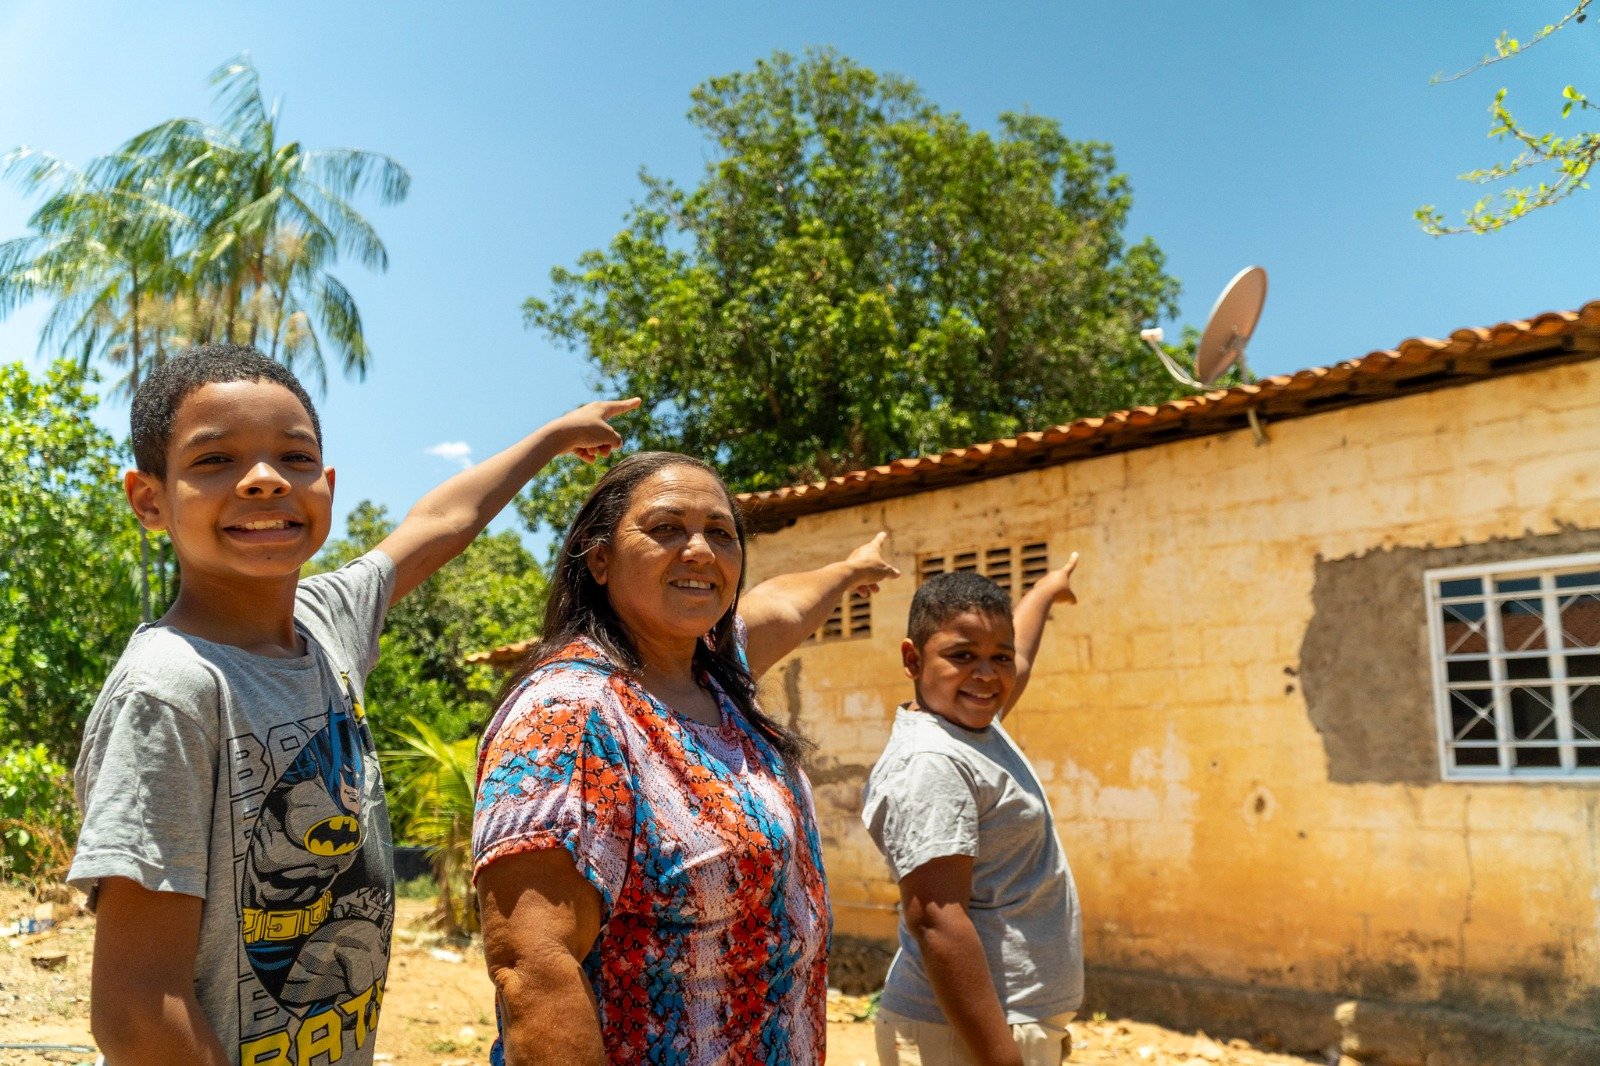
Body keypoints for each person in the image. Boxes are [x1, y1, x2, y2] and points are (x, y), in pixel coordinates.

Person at [67, 343, 636, 1066]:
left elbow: (441, 521)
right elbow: (138, 1008)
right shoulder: (172, 692)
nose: (265, 480)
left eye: (294, 458)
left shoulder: (325, 621)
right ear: (150, 499)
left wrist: (552, 437)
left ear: (327, 485)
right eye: (215, 462)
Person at [471, 451, 901, 1065]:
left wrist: (850, 568)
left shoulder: (717, 677)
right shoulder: (568, 713)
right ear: (599, 559)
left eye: (721, 534)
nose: (700, 550)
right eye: (666, 528)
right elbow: (535, 972)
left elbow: (783, 603)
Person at [862, 559, 1083, 1066]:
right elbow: (937, 920)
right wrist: (999, 1059)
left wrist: (1046, 589)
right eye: (962, 656)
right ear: (913, 660)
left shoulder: (970, 723)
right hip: (968, 1035)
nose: (987, 675)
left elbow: (1019, 655)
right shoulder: (934, 763)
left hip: (992, 1026)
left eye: (997, 658)